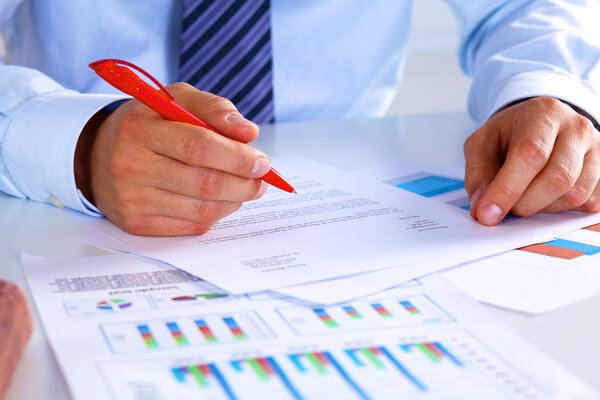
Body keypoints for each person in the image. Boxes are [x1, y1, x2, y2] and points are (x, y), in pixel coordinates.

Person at [0, 1, 599, 236]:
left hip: (354, 203)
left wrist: (542, 93)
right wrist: (78, 144)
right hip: (64, 217)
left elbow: (516, 10)